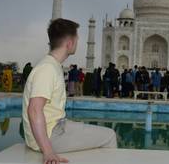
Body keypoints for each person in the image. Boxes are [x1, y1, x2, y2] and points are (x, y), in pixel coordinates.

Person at [22, 18, 116, 164]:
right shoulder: (47, 69)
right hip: (50, 135)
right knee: (109, 135)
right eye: (77, 39)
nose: (78, 42)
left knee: (87, 130)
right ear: (69, 43)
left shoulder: (52, 65)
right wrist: (48, 152)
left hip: (55, 126)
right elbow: (34, 110)